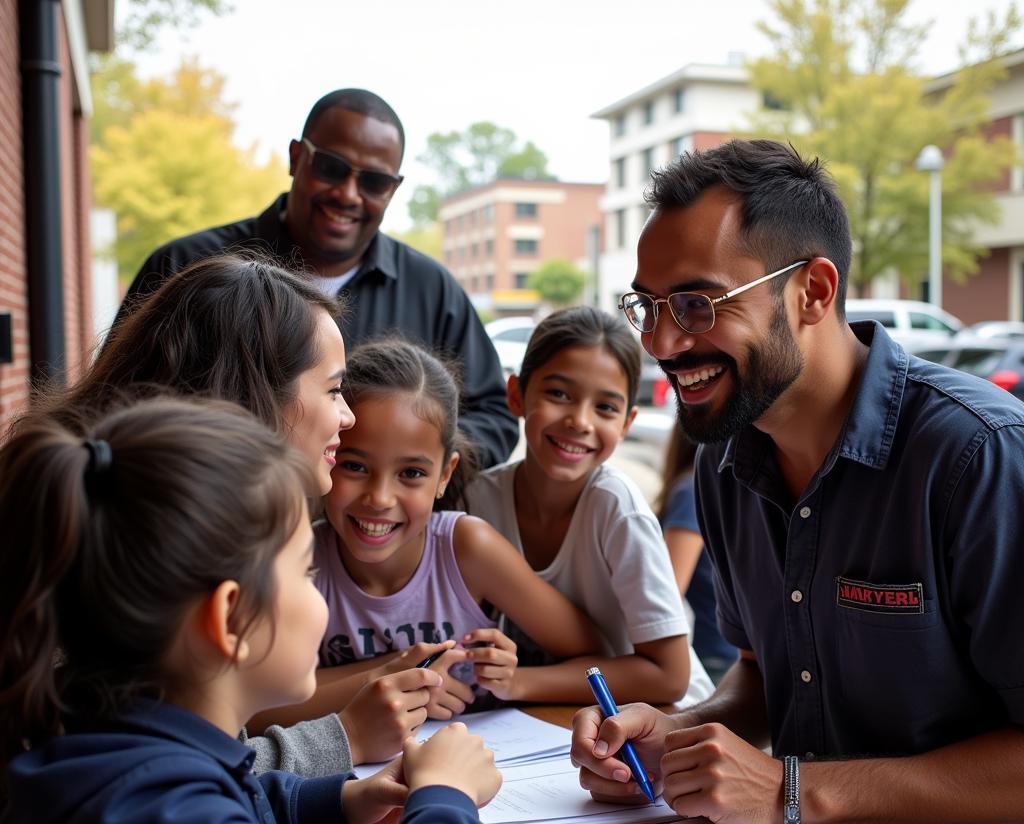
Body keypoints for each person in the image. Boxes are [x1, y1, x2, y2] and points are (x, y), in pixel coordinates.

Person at [571, 139, 1024, 824]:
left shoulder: (976, 459)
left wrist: (790, 792)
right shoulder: (722, 463)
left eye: (700, 305)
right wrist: (672, 738)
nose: (664, 343)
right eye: (649, 307)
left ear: (812, 291)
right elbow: (762, 680)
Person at [0, 397, 501, 824]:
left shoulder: (126, 758)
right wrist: (447, 798)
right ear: (232, 618)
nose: (320, 598)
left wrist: (344, 803)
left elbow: (237, 808)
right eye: (304, 570)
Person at [56, 253, 454, 776]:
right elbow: (169, 776)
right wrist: (347, 740)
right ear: (262, 395)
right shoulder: (133, 554)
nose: (348, 416)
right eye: (334, 390)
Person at [118, 87, 517, 468]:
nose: (348, 193)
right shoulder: (186, 267)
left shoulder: (433, 291)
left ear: (394, 189)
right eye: (331, 167)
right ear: (296, 158)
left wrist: (400, 465)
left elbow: (493, 417)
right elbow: (120, 404)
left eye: (374, 181)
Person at [251, 339, 604, 736]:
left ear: (445, 475)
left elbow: (597, 656)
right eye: (355, 466)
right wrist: (393, 678)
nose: (380, 498)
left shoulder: (467, 549)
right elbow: (251, 709)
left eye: (411, 474)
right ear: (329, 454)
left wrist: (518, 678)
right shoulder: (299, 561)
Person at [467, 306, 693, 705]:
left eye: (605, 407)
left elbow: (670, 677)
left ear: (626, 423)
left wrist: (520, 683)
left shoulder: (617, 510)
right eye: (558, 394)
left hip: (659, 721)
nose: (580, 421)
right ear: (517, 395)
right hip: (544, 720)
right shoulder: (477, 500)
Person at [654, 421, 737, 684]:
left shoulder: (690, 491)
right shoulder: (703, 488)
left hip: (715, 657)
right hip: (724, 652)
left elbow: (667, 591)